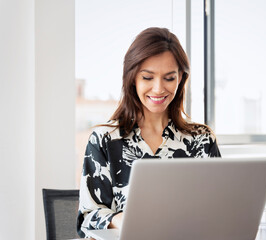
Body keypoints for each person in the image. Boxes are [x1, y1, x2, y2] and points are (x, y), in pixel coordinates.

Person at [77, 27, 221, 237]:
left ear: (181, 79)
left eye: (169, 78)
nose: (158, 88)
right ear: (132, 78)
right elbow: (87, 217)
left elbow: (220, 209)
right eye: (147, 77)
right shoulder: (105, 140)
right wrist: (121, 219)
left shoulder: (201, 139)